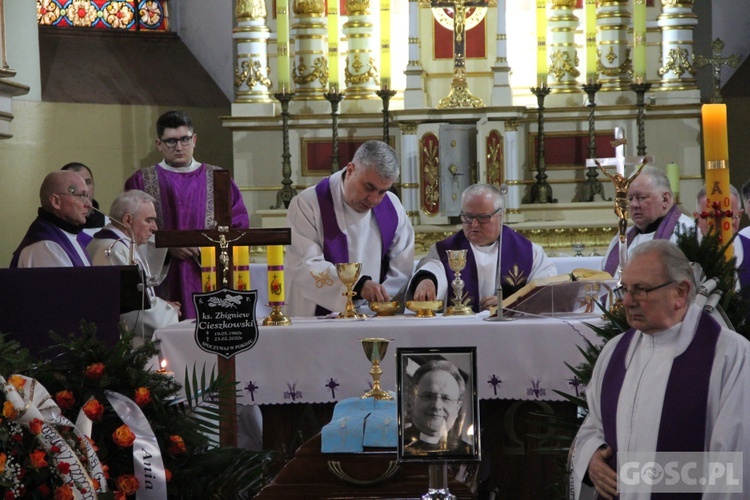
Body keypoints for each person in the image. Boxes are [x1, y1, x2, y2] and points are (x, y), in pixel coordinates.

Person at [570, 240, 750, 499]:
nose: (628, 301)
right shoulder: (614, 352)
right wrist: (592, 459)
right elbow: (592, 425)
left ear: (680, 291)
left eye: (641, 290)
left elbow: (734, 458)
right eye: (625, 289)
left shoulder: (730, 356)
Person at [124, 110, 249, 319]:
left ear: (194, 139)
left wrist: (201, 246)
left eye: (184, 139)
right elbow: (128, 228)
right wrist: (167, 246)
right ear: (159, 144)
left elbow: (238, 224)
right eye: (171, 141)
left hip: (207, 272)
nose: (179, 147)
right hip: (163, 276)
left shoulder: (218, 179)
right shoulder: (141, 181)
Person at [285, 140, 415, 316]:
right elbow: (304, 265)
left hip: (374, 318)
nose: (374, 199)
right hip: (319, 318)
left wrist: (381, 300)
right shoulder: (308, 204)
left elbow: (401, 267)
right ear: (351, 169)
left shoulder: (393, 207)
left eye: (382, 191)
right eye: (369, 187)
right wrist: (357, 286)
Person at [407, 183, 556, 312]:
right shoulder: (444, 251)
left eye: (483, 217)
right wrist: (426, 281)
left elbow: (547, 294)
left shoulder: (530, 253)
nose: (474, 225)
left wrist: (510, 305)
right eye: (468, 217)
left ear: (501, 216)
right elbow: (432, 267)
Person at [87, 190, 181, 345]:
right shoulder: (113, 250)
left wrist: (162, 305)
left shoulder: (120, 245)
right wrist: (168, 312)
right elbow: (131, 310)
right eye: (149, 220)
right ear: (128, 220)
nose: (155, 228)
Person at [602, 166, 692, 276]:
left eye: (641, 197)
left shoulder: (686, 233)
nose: (634, 205)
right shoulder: (621, 240)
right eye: (630, 199)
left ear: (665, 199)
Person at [11, 170, 92, 268]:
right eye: (81, 196)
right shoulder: (46, 247)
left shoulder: (69, 236)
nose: (88, 204)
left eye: (87, 196)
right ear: (56, 201)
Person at [404, 359, 472, 455]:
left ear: (457, 408)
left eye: (446, 398)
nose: (436, 406)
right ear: (412, 399)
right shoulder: (397, 444)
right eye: (428, 396)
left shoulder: (467, 453)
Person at [694, 185, 750, 289]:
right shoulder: (684, 254)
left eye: (729, 216)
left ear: (740, 216)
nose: (719, 225)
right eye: (710, 217)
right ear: (697, 218)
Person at [61, 162, 109, 238]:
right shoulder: (54, 229)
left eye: (87, 182)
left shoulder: (109, 225)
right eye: (75, 184)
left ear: (94, 186)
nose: (84, 189)